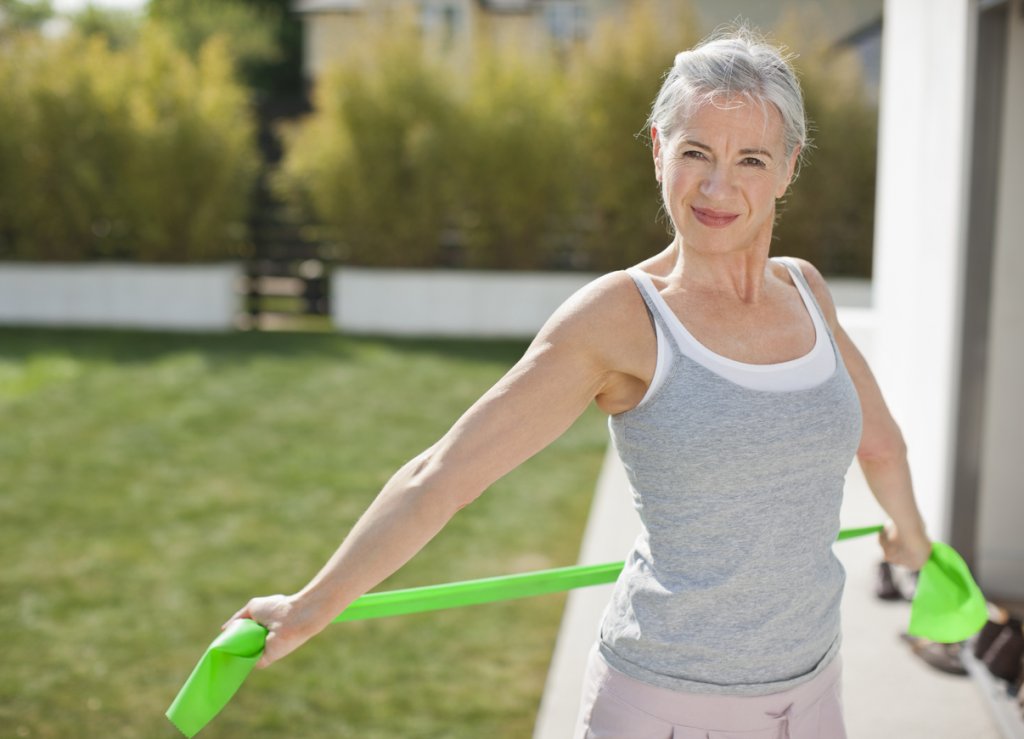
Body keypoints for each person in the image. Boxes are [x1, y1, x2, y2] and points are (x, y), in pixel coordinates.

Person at [225, 28, 932, 739]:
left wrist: (914, 537)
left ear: (787, 167)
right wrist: (313, 603)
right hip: (666, 710)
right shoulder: (620, 318)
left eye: (750, 158)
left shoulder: (806, 290)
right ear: (658, 150)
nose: (718, 187)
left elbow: (879, 443)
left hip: (813, 697)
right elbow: (443, 475)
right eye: (695, 152)